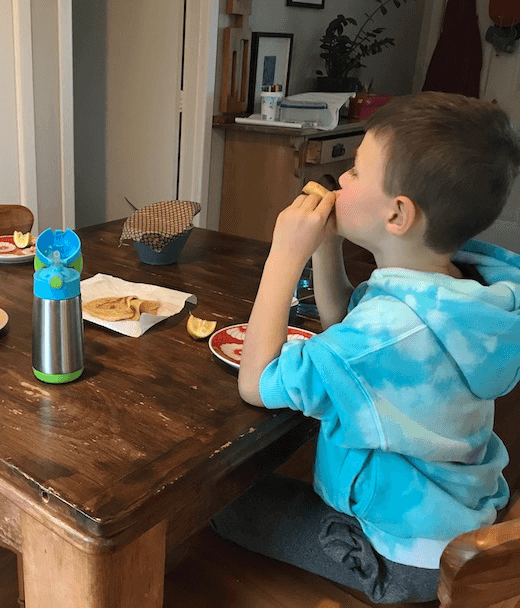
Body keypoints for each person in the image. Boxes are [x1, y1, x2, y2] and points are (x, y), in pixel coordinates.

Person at [211, 92, 520, 603]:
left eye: (355, 171)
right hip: (451, 519)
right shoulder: (456, 292)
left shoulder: (390, 331)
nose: (342, 181)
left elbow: (257, 382)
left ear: (397, 215)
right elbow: (347, 323)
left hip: (394, 554)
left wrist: (283, 258)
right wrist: (326, 246)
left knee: (221, 504)